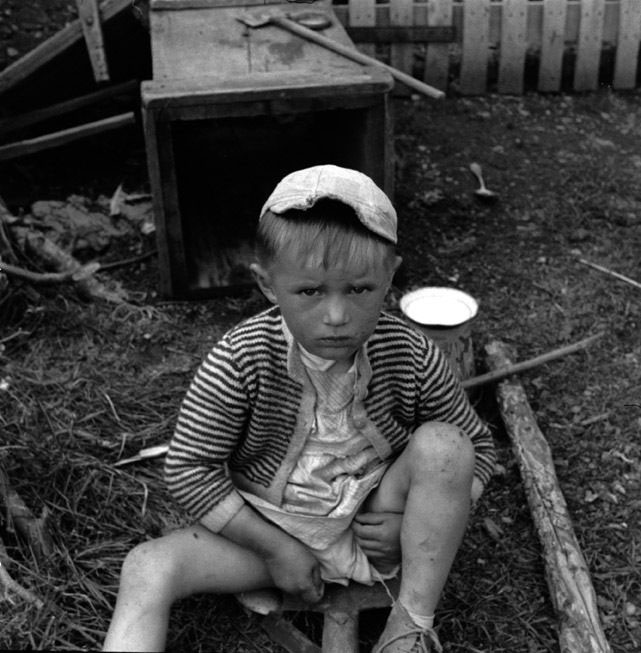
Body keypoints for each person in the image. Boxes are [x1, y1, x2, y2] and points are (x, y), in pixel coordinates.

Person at [103, 164, 496, 653]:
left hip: (373, 524)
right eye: (310, 292)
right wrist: (276, 547)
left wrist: (408, 526)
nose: (336, 316)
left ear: (389, 276)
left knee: (446, 445)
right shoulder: (241, 357)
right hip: (267, 530)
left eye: (360, 289)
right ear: (268, 285)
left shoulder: (410, 351)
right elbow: (188, 468)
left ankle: (410, 622)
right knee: (148, 566)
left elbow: (478, 448)